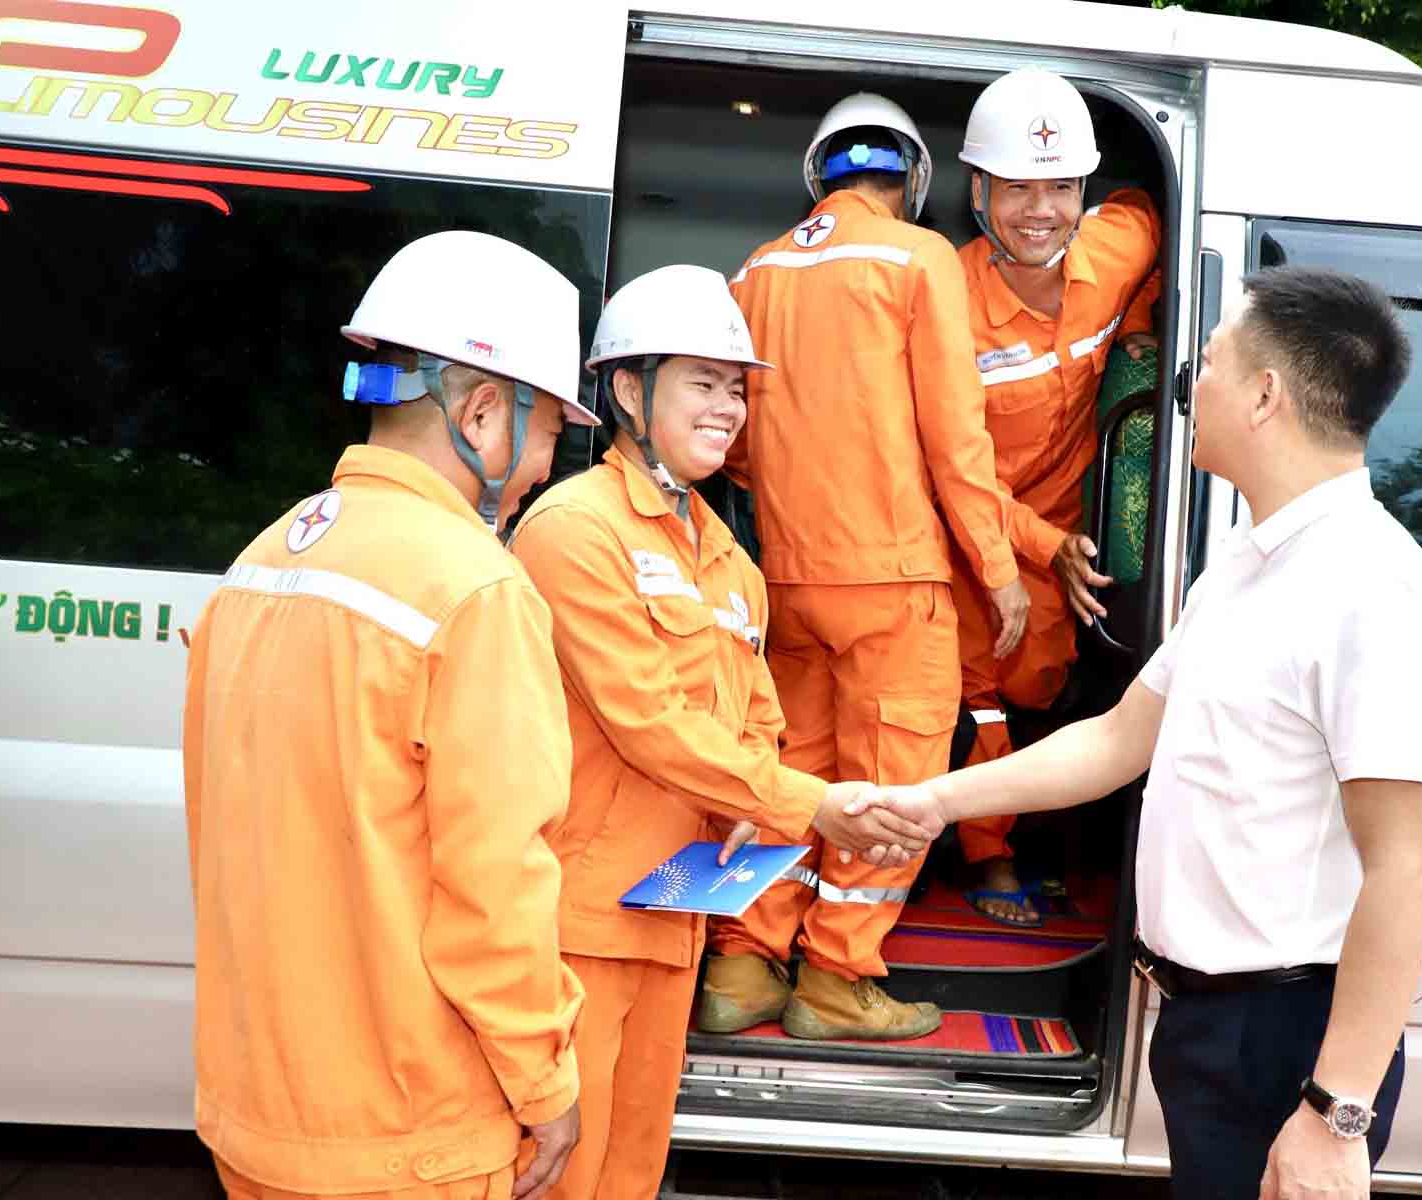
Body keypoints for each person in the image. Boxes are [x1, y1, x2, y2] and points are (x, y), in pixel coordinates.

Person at [873, 267, 1422, 1198]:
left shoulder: (1376, 588)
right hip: (1209, 1030)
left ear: (1267, 395)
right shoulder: (1245, 563)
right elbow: (1117, 740)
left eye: (1215, 360)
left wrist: (1336, 1114)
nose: (1192, 383)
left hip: (1289, 1041)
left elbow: (1406, 870)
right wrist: (931, 801)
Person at [182, 230, 600, 1200]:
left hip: (259, 1113)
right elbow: (495, 888)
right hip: (408, 1133)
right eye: (546, 436)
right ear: (485, 411)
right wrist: (546, 1083)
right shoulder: (473, 591)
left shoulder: (264, 560)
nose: (544, 467)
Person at [505, 264, 937, 1199]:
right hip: (580, 929)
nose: (729, 407)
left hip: (675, 915)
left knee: (629, 1175)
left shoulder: (727, 555)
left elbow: (760, 717)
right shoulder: (575, 532)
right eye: (703, 382)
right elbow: (647, 721)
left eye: (737, 388)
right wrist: (809, 803)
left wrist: (760, 795)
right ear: (628, 389)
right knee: (560, 1179)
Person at [698, 93, 1024, 1041]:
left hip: (787, 584)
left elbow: (738, 444)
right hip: (894, 581)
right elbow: (955, 434)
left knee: (795, 774)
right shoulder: (919, 258)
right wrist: (998, 570)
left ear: (818, 174)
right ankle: (838, 981)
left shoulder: (754, 271)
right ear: (914, 180)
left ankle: (743, 966)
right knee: (892, 784)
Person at [951, 66, 1164, 926]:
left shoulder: (1118, 248)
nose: (1040, 210)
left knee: (1044, 684)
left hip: (1078, 531)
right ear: (977, 190)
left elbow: (1154, 215)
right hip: (977, 533)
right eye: (1016, 188)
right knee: (981, 693)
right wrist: (1041, 546)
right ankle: (987, 858)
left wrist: (1144, 335)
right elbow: (944, 465)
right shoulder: (944, 304)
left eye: (1061, 187)